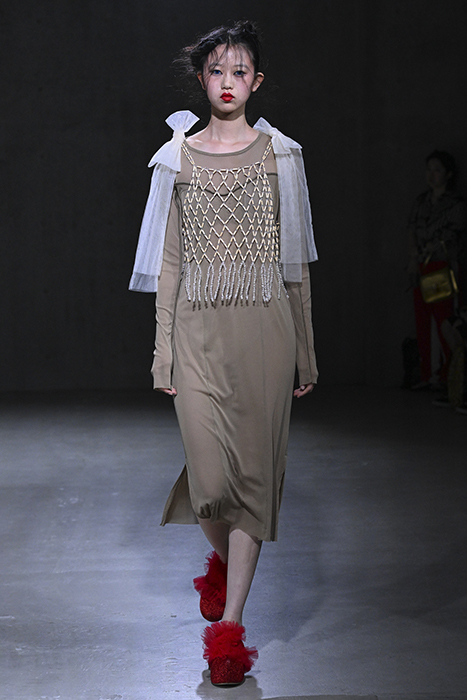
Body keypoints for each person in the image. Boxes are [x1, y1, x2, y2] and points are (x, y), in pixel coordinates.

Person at [129, 21, 318, 687]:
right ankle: (219, 565)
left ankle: (229, 634)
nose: (228, 82)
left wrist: (306, 351)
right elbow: (168, 265)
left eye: (240, 71)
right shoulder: (175, 157)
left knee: (255, 483)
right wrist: (163, 351)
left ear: (256, 81)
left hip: (266, 332)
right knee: (212, 488)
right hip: (197, 334)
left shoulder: (281, 156)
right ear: (201, 79)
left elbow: (295, 265)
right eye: (217, 71)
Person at [407, 151, 465, 390]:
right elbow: (411, 230)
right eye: (429, 170)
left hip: (441, 267)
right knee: (422, 320)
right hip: (421, 266)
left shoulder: (455, 205)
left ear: (448, 174)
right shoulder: (422, 201)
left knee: (443, 320)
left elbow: (453, 237)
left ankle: (445, 376)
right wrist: (413, 259)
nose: (432, 175)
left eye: (437, 170)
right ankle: (427, 374)